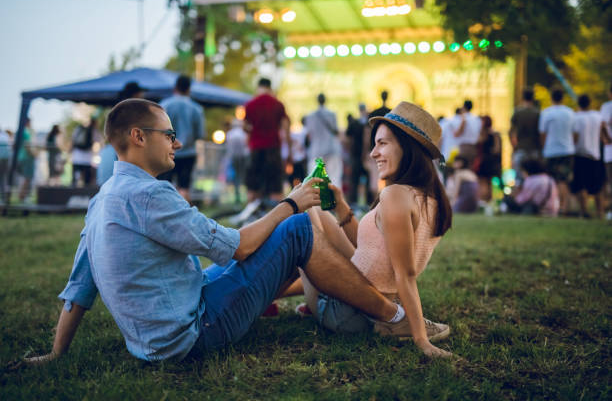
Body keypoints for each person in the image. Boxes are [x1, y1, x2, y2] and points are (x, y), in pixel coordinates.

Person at [24, 99, 424, 365]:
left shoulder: (103, 198)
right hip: (194, 333)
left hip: (155, 335)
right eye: (169, 134)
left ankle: (339, 297)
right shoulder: (150, 196)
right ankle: (395, 317)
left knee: (280, 239)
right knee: (299, 229)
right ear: (138, 137)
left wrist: (56, 355)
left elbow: (79, 287)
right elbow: (239, 247)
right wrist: (291, 203)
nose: (177, 143)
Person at [293, 102, 453, 358]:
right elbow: (373, 251)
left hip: (344, 312)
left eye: (382, 144)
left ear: (408, 147)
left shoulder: (395, 195)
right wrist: (342, 207)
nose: (373, 153)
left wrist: (421, 339)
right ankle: (272, 295)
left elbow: (406, 275)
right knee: (318, 211)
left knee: (302, 215)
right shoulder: (431, 198)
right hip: (368, 299)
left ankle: (267, 296)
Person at [244, 78, 291, 203]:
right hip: (273, 148)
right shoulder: (278, 104)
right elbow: (286, 127)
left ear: (258, 87)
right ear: (270, 88)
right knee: (275, 189)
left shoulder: (250, 105)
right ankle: (277, 218)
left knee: (253, 188)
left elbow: (246, 127)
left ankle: (252, 217)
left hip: (255, 148)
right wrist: (290, 151)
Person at [159, 75, 204, 203]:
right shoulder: (196, 108)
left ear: (175, 87)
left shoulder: (164, 106)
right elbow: (200, 134)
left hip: (167, 152)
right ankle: (184, 219)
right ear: (189, 88)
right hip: (188, 153)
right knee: (184, 188)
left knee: (165, 187)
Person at [539, 88, 576, 215]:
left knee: (552, 180)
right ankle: (564, 206)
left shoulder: (546, 113)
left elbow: (543, 133)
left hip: (551, 151)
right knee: (564, 179)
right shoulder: (570, 113)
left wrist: (544, 148)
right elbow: (575, 133)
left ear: (551, 98)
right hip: (567, 150)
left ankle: (554, 206)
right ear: (563, 98)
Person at [570, 95, 606, 218]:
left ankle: (584, 211)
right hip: (596, 154)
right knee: (597, 186)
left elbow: (575, 137)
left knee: (582, 185)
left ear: (578, 103)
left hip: (581, 154)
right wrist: (605, 140)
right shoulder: (597, 116)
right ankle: (600, 212)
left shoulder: (576, 117)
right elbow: (604, 129)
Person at [304, 93, 343, 186]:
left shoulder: (310, 116)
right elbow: (336, 131)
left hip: (316, 151)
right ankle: (334, 199)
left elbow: (309, 135)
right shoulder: (332, 114)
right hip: (331, 149)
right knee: (334, 179)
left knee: (315, 181)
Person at [510, 88, 540, 184]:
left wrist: (514, 147)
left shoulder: (517, 112)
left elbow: (512, 132)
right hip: (534, 148)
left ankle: (520, 198)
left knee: (519, 178)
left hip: (520, 148)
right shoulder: (537, 113)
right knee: (534, 177)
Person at [346, 104, 372, 205]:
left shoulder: (355, 123)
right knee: (367, 181)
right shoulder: (369, 123)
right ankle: (368, 203)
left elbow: (348, 138)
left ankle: (354, 202)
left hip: (357, 155)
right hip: (366, 156)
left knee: (355, 180)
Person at [475, 116, 502, 202]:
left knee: (483, 182)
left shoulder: (482, 134)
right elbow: (497, 149)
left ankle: (483, 200)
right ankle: (489, 200)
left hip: (484, 160)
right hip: (491, 161)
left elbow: (478, 144)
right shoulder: (495, 134)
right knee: (489, 183)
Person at [225, 118, 249, 203]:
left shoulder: (229, 134)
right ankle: (247, 195)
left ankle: (237, 196)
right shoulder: (243, 134)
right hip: (244, 157)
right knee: (245, 176)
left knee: (236, 177)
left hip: (234, 157)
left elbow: (229, 148)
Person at [71, 117, 97, 187]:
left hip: (76, 158)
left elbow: (73, 141)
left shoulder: (78, 129)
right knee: (87, 181)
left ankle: (72, 194)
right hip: (87, 159)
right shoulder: (94, 131)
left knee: (75, 180)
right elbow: (99, 141)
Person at [453, 100, 481, 166]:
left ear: (464, 107)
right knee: (471, 168)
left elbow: (458, 133)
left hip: (464, 147)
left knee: (462, 168)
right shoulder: (477, 119)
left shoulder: (463, 118)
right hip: (474, 147)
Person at [600, 82, 612, 220]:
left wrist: (607, 139)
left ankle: (610, 211)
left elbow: (602, 125)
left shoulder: (607, 106)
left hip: (610, 152)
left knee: (610, 182)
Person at [18, 118, 36, 201]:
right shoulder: (26, 132)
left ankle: (22, 196)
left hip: (21, 157)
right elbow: (28, 146)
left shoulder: (20, 131)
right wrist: (34, 155)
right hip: (27, 157)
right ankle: (22, 197)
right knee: (27, 178)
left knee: (24, 178)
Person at [0, 128, 11, 202]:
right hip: (6, 159)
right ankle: (4, 198)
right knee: (4, 179)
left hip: (3, 159)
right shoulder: (5, 135)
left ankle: (3, 198)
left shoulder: (4, 136)